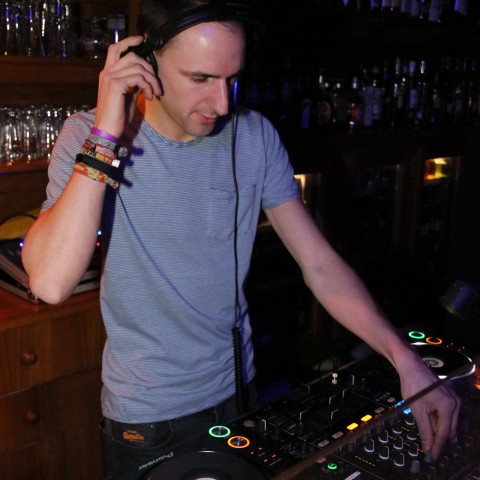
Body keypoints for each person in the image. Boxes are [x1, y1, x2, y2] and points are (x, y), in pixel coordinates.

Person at [22, 0, 460, 478]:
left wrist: (405, 360)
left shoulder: (254, 136)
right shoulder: (88, 137)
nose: (222, 104)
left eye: (231, 79)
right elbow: (50, 282)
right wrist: (107, 133)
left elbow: (319, 264)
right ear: (145, 61)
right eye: (200, 78)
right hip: (148, 418)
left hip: (240, 394)